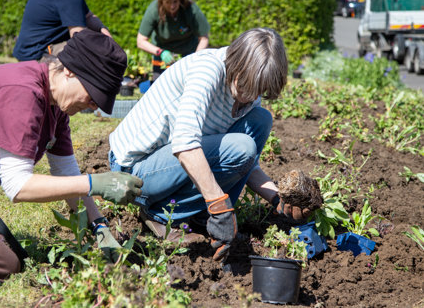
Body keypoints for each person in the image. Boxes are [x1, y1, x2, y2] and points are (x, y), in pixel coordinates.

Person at [109, 28, 316, 263]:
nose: (250, 97)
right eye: (247, 86)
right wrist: (219, 204)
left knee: (261, 119)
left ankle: (197, 216)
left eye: (259, 90)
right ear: (236, 64)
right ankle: (162, 215)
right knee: (242, 147)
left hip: (169, 166)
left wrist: (278, 199)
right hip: (133, 170)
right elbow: (185, 144)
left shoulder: (248, 92)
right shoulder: (206, 70)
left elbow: (245, 164)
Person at [0, 30, 143, 283]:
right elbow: (17, 186)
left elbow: (66, 172)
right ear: (70, 71)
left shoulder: (56, 106)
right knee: (4, 265)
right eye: (94, 95)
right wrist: (94, 182)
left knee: (5, 256)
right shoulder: (23, 92)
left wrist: (99, 226)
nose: (94, 106)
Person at [13, 0, 111, 61]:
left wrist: (107, 36)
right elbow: (79, 38)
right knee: (87, 51)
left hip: (27, 53)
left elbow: (89, 17)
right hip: (36, 57)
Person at [137, 0, 210, 80]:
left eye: (175, 1)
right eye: (168, 2)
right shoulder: (154, 10)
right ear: (162, 1)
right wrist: (160, 52)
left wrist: (196, 57)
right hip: (162, 52)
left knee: (189, 82)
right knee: (159, 84)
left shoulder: (191, 9)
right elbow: (141, 41)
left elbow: (204, 38)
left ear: (180, 0)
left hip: (188, 51)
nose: (172, 6)